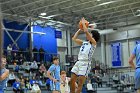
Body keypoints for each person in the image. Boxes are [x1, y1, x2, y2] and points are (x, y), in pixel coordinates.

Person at [70, 18, 100, 93]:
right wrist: (79, 30)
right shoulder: (84, 42)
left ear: (93, 37)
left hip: (85, 64)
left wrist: (83, 24)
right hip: (78, 62)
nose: (89, 34)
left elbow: (86, 31)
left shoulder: (94, 43)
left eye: (91, 34)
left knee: (80, 83)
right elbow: (74, 38)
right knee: (72, 80)